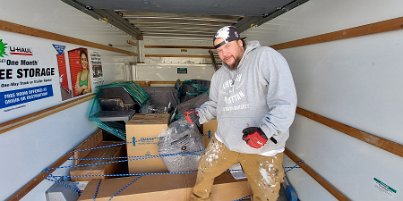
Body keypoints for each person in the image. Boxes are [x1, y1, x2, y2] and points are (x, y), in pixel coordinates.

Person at [184, 26, 297, 201]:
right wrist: (200, 114)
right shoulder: (219, 76)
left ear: (240, 42)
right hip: (225, 141)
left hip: (262, 146)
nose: (224, 54)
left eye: (227, 47)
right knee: (205, 170)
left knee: (265, 196)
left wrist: (265, 131)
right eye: (219, 51)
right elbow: (214, 104)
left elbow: (285, 102)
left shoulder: (265, 57)